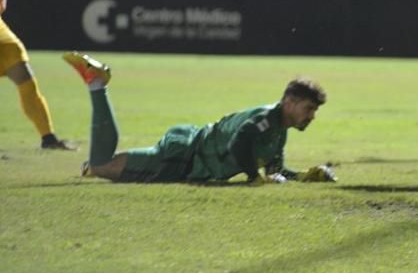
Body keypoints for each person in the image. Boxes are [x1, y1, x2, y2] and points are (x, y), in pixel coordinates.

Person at [65, 52, 335, 184]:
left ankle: (92, 166)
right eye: (308, 108)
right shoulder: (266, 120)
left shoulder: (278, 130)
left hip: (191, 159)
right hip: (184, 155)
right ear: (289, 102)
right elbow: (240, 143)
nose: (311, 116)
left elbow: (274, 173)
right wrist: (253, 176)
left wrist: (304, 176)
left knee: (101, 166)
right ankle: (96, 84)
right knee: (104, 166)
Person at [0, 0, 76, 150]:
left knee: (26, 84)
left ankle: (48, 138)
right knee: (27, 85)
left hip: (5, 42)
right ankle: (48, 137)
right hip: (5, 41)